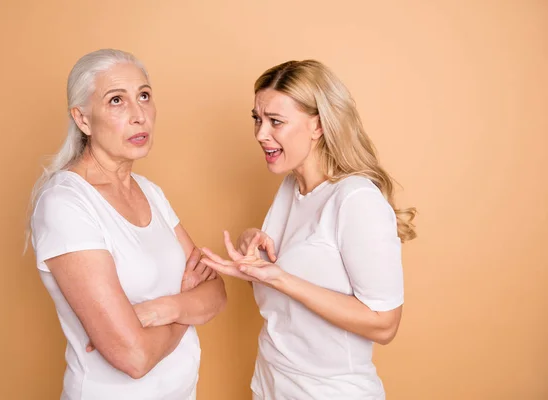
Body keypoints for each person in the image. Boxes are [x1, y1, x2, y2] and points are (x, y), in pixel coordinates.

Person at [201, 60, 416, 399]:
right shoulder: (291, 186)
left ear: (317, 125)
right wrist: (253, 248)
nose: (260, 134)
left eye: (276, 122)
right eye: (257, 119)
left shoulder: (355, 199)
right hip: (272, 380)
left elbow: (384, 324)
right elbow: (300, 265)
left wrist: (280, 278)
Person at [27, 49, 226, 400]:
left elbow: (216, 291)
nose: (139, 116)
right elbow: (134, 357)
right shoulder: (66, 204)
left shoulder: (151, 192)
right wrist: (187, 307)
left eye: (144, 96)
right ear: (83, 119)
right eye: (116, 100)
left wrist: (160, 310)